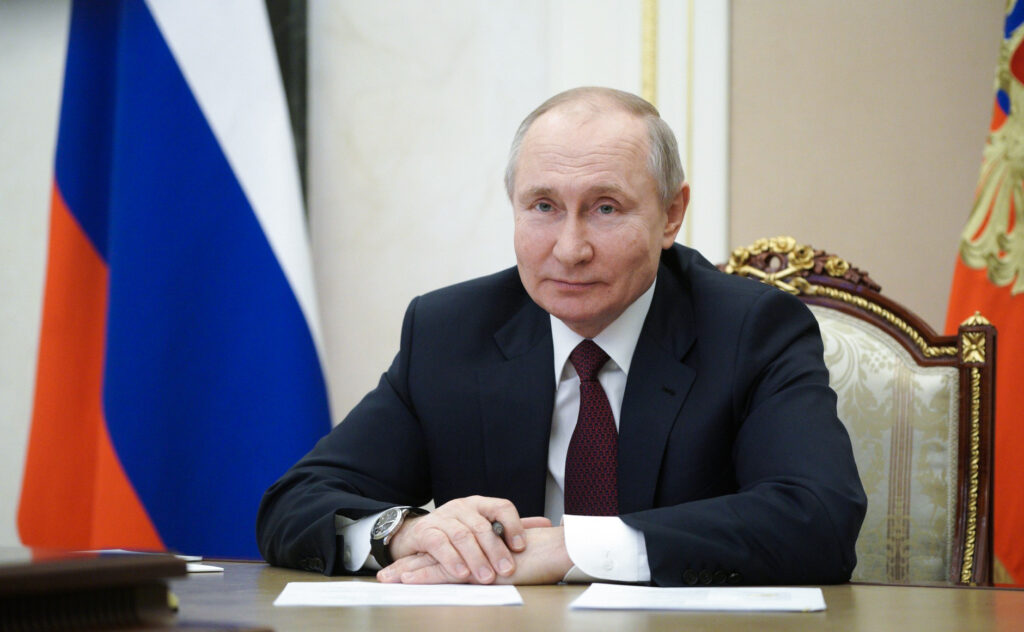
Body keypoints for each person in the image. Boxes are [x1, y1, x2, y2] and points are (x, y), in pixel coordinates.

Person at [256, 87, 866, 587]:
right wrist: (406, 531)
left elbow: (817, 519)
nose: (570, 250)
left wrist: (576, 549)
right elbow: (295, 502)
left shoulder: (751, 329)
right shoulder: (451, 331)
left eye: (606, 208)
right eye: (543, 206)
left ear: (672, 215)